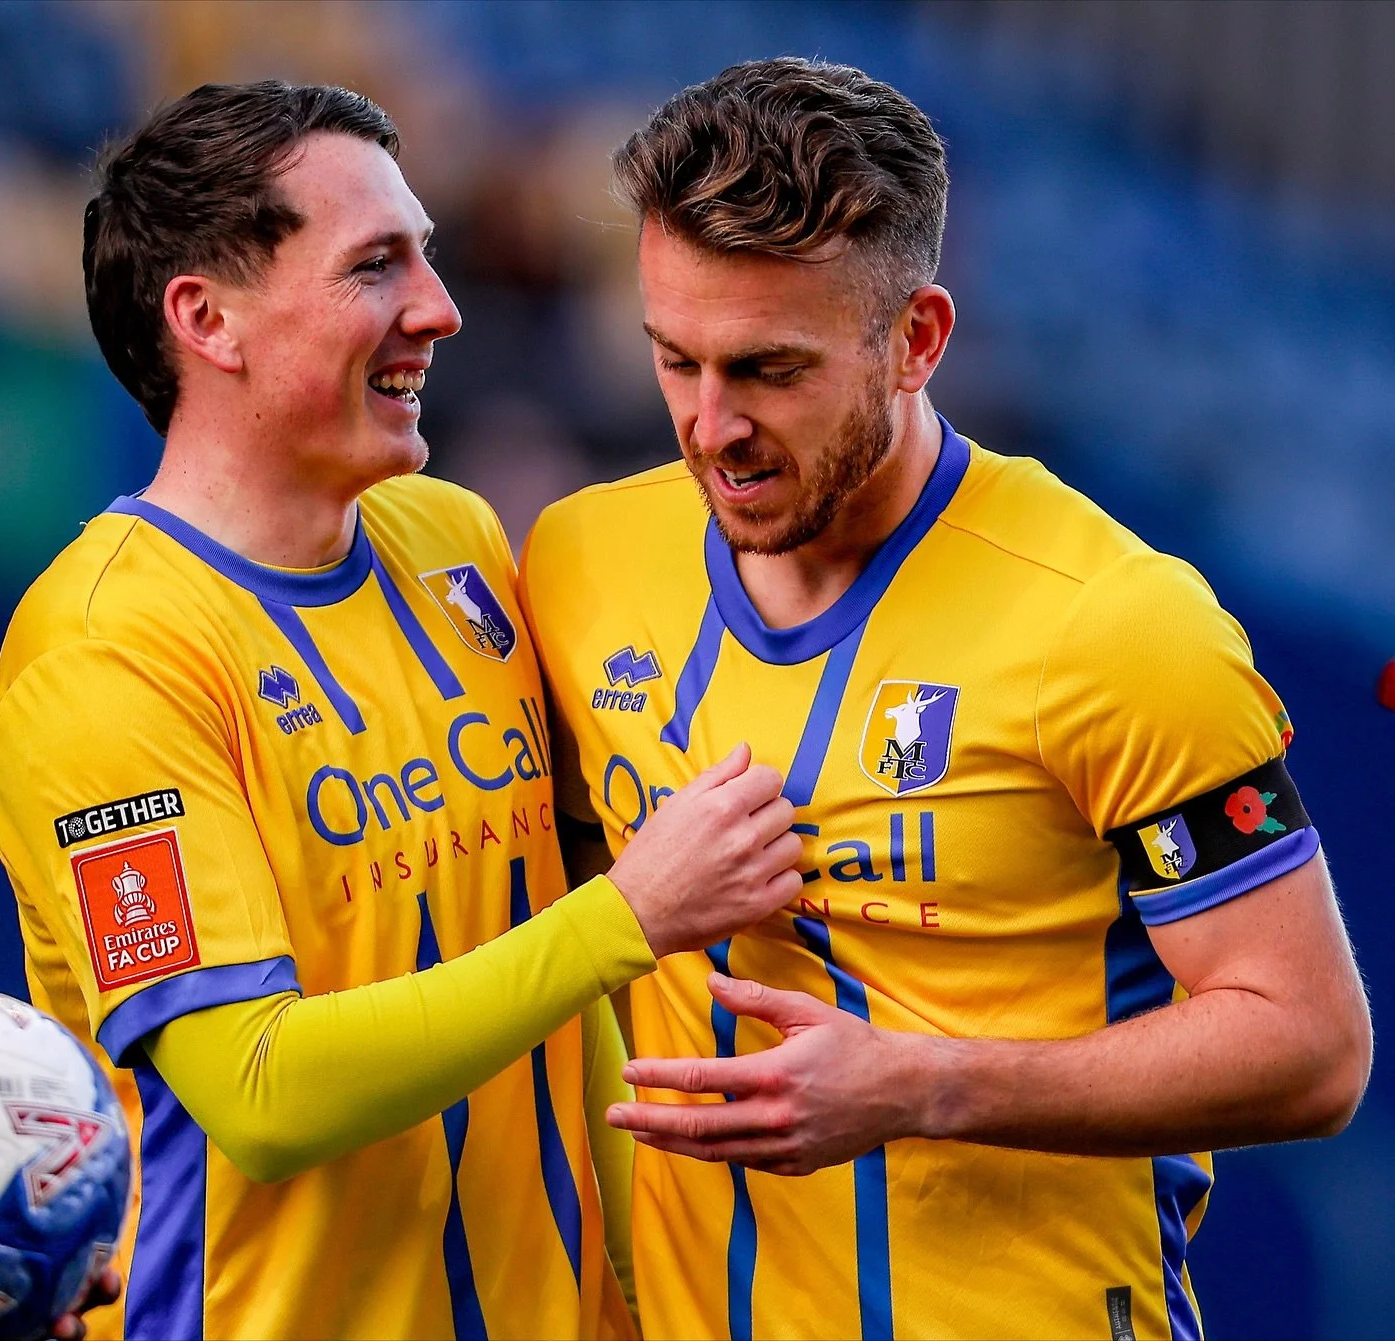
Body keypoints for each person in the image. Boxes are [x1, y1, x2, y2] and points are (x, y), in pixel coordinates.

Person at [518, 57, 1373, 1341]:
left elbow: (1312, 1050)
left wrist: (919, 1086)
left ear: (916, 340)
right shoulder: (581, 562)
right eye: (673, 358)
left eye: (769, 370)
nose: (710, 426)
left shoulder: (1116, 622)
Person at [0, 80, 804, 1341]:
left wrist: (632, 1291)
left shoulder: (455, 539)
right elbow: (257, 1091)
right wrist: (633, 913)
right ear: (209, 319)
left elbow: (549, 958)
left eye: (425, 251)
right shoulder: (105, 650)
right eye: (377, 265)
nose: (441, 306)